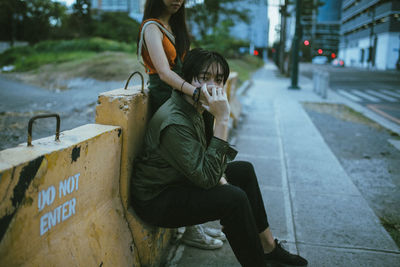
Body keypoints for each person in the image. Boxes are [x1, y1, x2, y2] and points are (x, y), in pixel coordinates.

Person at [130, 48, 308, 267]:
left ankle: (268, 247)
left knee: (243, 171)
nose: (213, 86)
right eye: (204, 78)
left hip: (180, 179)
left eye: (219, 80)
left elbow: (209, 159)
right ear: (186, 80)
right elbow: (206, 178)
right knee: (233, 199)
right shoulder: (175, 122)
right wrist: (223, 120)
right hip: (157, 199)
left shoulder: (198, 106)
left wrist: (223, 178)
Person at [137, 0, 223, 249]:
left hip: (183, 95)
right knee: (186, 158)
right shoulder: (151, 27)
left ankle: (195, 224)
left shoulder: (175, 26)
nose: (178, 0)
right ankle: (193, 231)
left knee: (198, 152)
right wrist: (195, 93)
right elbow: (164, 72)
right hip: (167, 97)